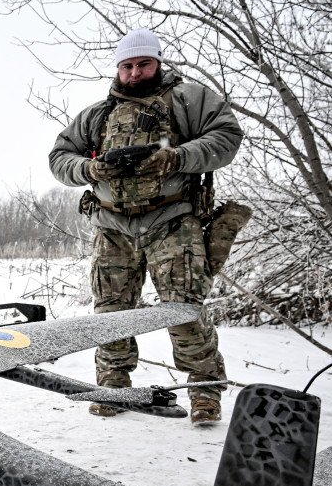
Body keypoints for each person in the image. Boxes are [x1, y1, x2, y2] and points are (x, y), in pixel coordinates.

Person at [48, 28, 244, 424]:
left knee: (183, 310)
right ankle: (112, 387)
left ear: (157, 62)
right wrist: (89, 167)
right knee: (109, 313)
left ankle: (204, 394)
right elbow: (58, 158)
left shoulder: (189, 99)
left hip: (172, 220)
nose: (135, 73)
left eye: (143, 64)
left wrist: (177, 157)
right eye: (127, 66)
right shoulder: (96, 114)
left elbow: (227, 137)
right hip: (112, 227)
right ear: (118, 69)